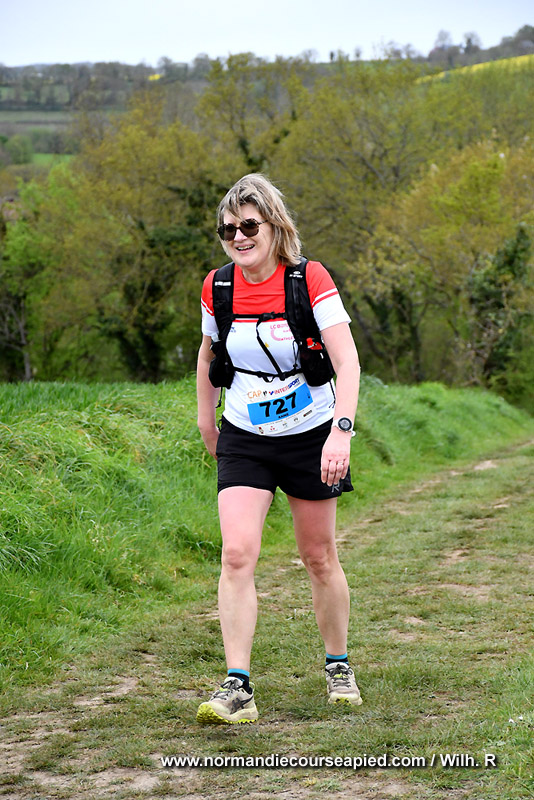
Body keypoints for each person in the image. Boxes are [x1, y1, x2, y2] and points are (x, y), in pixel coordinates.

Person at [196, 173, 362, 725]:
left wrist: (341, 431)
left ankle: (338, 665)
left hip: (312, 433)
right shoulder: (217, 287)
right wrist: (206, 419)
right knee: (236, 553)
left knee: (318, 556)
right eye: (228, 230)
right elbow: (208, 355)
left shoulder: (309, 279)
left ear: (274, 226)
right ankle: (237, 685)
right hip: (244, 434)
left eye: (249, 225)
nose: (238, 237)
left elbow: (347, 362)